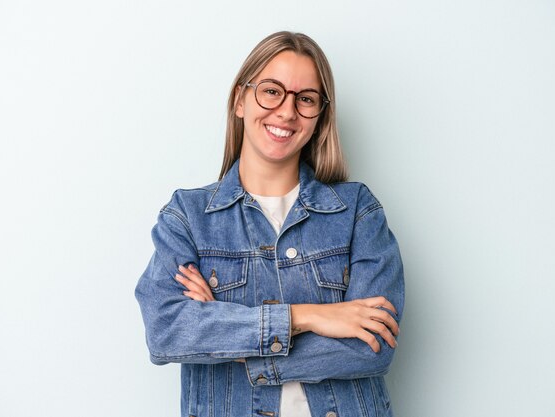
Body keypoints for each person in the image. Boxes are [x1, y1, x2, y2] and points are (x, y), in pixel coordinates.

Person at [135, 31, 404, 417]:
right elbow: (166, 331)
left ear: (319, 117)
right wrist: (308, 316)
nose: (287, 111)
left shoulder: (357, 211)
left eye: (306, 99)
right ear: (239, 100)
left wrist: (231, 337)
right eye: (272, 91)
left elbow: (373, 345)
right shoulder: (188, 217)